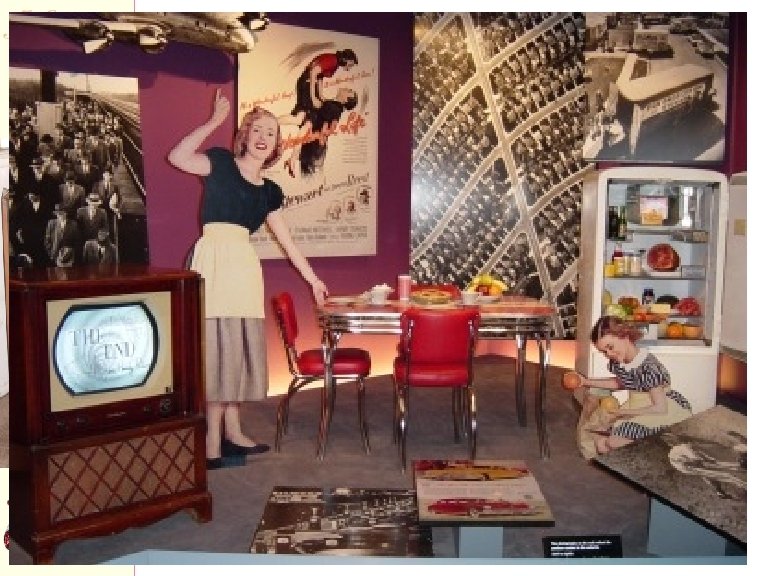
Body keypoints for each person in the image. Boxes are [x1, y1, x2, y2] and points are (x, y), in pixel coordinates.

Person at [167, 88, 329, 470]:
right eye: (257, 129)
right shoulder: (220, 164)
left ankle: (234, 431)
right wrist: (213, 122)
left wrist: (313, 280)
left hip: (242, 269)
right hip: (213, 262)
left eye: (271, 133)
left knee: (236, 351)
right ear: (245, 135)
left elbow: (288, 242)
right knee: (217, 350)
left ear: (276, 145)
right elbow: (177, 157)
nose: (263, 137)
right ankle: (211, 440)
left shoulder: (270, 192)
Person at [578, 315, 692, 455]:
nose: (608, 354)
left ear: (624, 336)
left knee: (612, 442)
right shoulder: (620, 361)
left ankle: (660, 451)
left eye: (610, 347)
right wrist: (585, 381)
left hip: (660, 409)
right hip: (637, 405)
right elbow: (620, 383)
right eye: (604, 351)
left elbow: (660, 408)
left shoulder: (649, 367)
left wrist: (622, 413)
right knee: (601, 444)